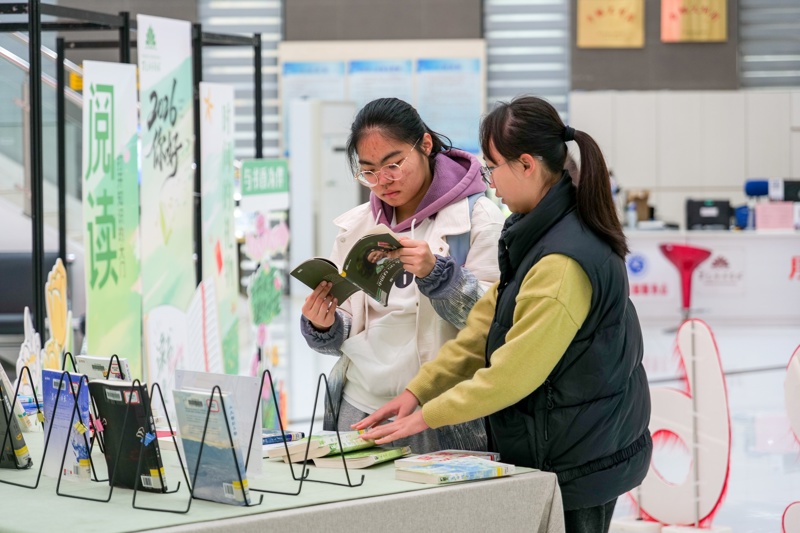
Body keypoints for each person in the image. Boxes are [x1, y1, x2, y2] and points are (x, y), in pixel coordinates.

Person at [355, 96, 652, 533]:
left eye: (493, 168)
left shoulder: (561, 261)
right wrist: (417, 392)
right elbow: (482, 329)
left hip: (580, 459)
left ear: (527, 165)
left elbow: (511, 375)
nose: (490, 183)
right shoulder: (533, 230)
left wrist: (425, 418)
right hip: (554, 443)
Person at [300, 97, 505, 454]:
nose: (382, 181)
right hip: (359, 405)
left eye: (393, 165)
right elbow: (345, 331)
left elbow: (494, 324)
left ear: (425, 144)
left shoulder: (478, 219)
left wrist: (438, 275)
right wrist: (324, 324)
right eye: (369, 171)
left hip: (435, 412)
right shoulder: (357, 226)